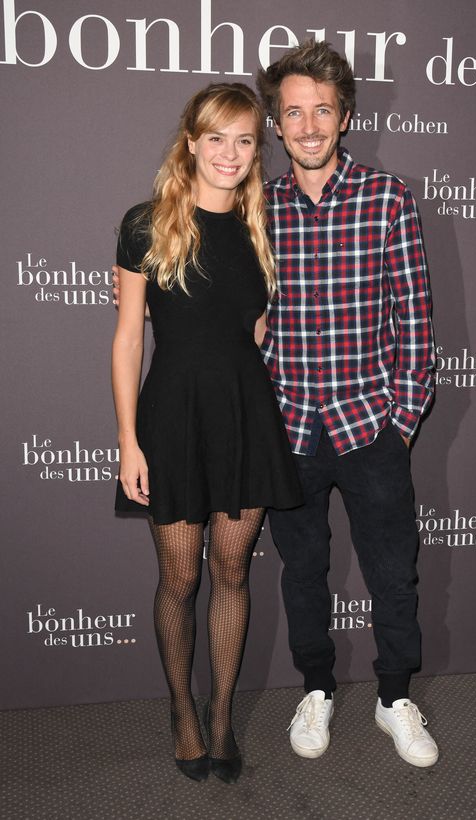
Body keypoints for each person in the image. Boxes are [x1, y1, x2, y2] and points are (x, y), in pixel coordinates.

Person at [111, 82, 302, 785]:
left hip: (246, 417)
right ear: (190, 141)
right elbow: (129, 339)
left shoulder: (265, 227)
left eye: (245, 139)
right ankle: (180, 709)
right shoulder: (145, 224)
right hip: (171, 419)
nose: (230, 152)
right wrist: (130, 441)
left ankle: (221, 712)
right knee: (179, 576)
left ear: (258, 150)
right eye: (216, 136)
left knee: (232, 571)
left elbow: (254, 330)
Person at [255, 40, 439, 768]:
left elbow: (416, 322)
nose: (307, 125)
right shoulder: (255, 208)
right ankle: (318, 690)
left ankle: (395, 698)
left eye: (321, 110)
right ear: (275, 123)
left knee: (393, 569)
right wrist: (136, 280)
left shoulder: (388, 198)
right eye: (292, 112)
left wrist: (401, 420)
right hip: (288, 430)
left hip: (371, 427)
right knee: (302, 571)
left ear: (345, 115)